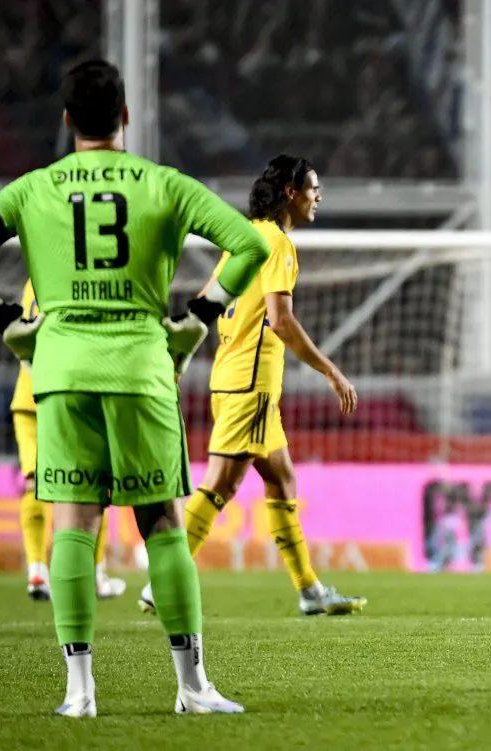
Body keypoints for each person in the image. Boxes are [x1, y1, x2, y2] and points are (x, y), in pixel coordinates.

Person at [0, 59, 271, 716]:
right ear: (125, 117)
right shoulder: (163, 183)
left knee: (72, 528)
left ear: (66, 123)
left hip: (59, 372)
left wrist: (8, 320)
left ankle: (80, 694)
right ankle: (193, 687)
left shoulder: (34, 188)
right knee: (163, 528)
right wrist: (197, 320)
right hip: (141, 367)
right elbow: (248, 245)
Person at [138, 155, 365, 617]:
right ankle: (159, 583)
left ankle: (310, 591)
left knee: (281, 479)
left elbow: (205, 301)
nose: (318, 197)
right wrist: (331, 370)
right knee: (221, 483)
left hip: (230, 377)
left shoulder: (240, 240)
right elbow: (281, 321)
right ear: (290, 192)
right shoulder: (277, 242)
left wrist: (179, 354)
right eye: (312, 188)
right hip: (252, 383)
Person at [11, 279, 128, 603]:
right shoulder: (76, 277)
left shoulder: (33, 282)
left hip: (27, 398)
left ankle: (37, 570)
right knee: (94, 485)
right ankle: (96, 576)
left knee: (34, 482)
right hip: (67, 395)